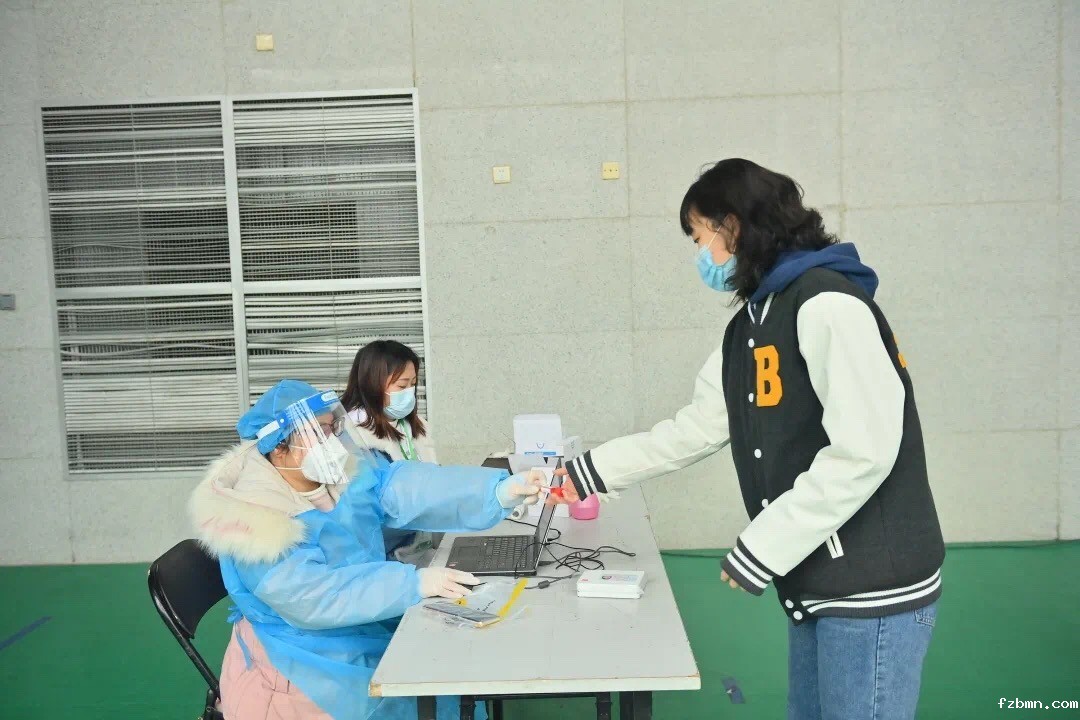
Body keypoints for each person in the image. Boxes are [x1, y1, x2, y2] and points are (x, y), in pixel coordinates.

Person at [551, 159, 945, 720]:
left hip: (872, 585)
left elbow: (865, 451)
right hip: (818, 579)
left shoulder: (828, 305)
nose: (700, 255)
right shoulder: (751, 325)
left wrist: (763, 545)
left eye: (699, 237)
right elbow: (697, 428)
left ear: (732, 227)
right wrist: (587, 472)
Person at [189, 379, 542, 720]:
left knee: (439, 669)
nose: (332, 443)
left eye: (332, 429)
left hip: (355, 623)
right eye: (319, 433)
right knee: (412, 692)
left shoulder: (331, 478)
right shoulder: (254, 519)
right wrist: (411, 584)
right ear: (279, 447)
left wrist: (496, 491)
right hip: (299, 664)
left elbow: (403, 488)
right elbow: (311, 596)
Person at [340, 340, 438, 567]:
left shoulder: (415, 426)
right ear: (373, 384)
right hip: (384, 557)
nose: (410, 393)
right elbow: (363, 513)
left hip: (420, 547)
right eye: (402, 386)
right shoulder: (354, 435)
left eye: (413, 384)